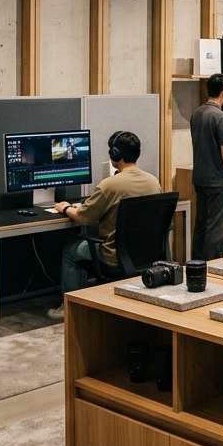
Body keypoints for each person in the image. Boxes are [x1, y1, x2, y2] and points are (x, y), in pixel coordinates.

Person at [50, 131, 161, 318]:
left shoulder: (110, 185)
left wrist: (66, 207)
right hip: (144, 255)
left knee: (70, 252)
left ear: (115, 154)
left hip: (113, 256)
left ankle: (69, 308)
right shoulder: (153, 182)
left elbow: (84, 217)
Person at [190, 73, 223, 261]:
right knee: (217, 229)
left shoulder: (197, 114)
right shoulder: (221, 117)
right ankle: (213, 268)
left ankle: (196, 266)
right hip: (217, 181)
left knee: (201, 225)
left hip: (200, 178)